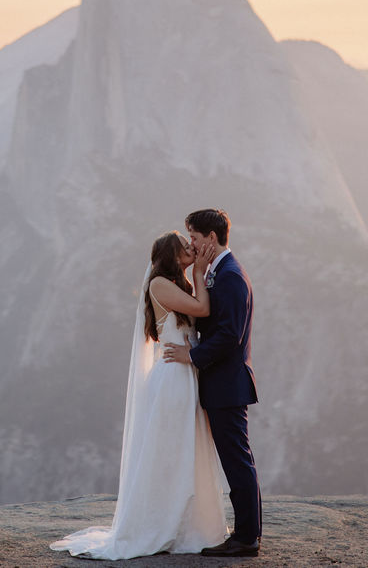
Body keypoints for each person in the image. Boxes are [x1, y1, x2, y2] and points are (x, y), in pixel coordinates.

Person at [50, 231, 228, 559]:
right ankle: (163, 523)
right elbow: (202, 309)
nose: (192, 249)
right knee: (171, 448)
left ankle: (186, 524)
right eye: (185, 248)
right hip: (173, 377)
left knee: (186, 447)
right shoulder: (160, 284)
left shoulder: (179, 282)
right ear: (172, 255)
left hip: (186, 373)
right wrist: (200, 272)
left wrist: (195, 276)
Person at [163, 208, 261, 557]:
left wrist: (193, 356)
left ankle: (247, 538)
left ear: (212, 238)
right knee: (236, 458)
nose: (191, 243)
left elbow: (230, 335)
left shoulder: (231, 276)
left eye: (195, 237)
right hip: (221, 384)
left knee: (236, 460)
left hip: (227, 384)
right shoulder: (220, 274)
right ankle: (247, 532)